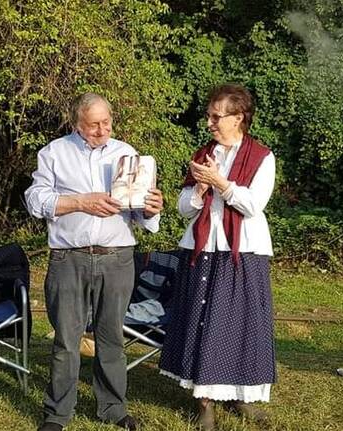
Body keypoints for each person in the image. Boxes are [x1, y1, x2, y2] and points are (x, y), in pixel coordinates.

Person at [25, 93, 164, 431]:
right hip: (67, 258)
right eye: (93, 125)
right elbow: (34, 199)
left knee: (111, 338)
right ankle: (57, 414)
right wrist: (79, 202)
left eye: (107, 122)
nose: (102, 130)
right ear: (77, 124)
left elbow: (139, 212)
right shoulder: (55, 153)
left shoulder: (127, 153)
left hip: (116, 258)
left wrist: (150, 208)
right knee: (66, 341)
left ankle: (113, 409)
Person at [158, 83, 276, 431]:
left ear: (238, 118)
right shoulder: (203, 153)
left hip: (243, 253)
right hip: (203, 249)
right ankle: (205, 403)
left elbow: (253, 205)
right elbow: (183, 208)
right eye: (209, 115)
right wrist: (199, 188)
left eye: (216, 116)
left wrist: (221, 183)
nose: (209, 122)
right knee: (203, 323)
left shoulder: (261, 157)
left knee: (243, 327)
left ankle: (243, 395)